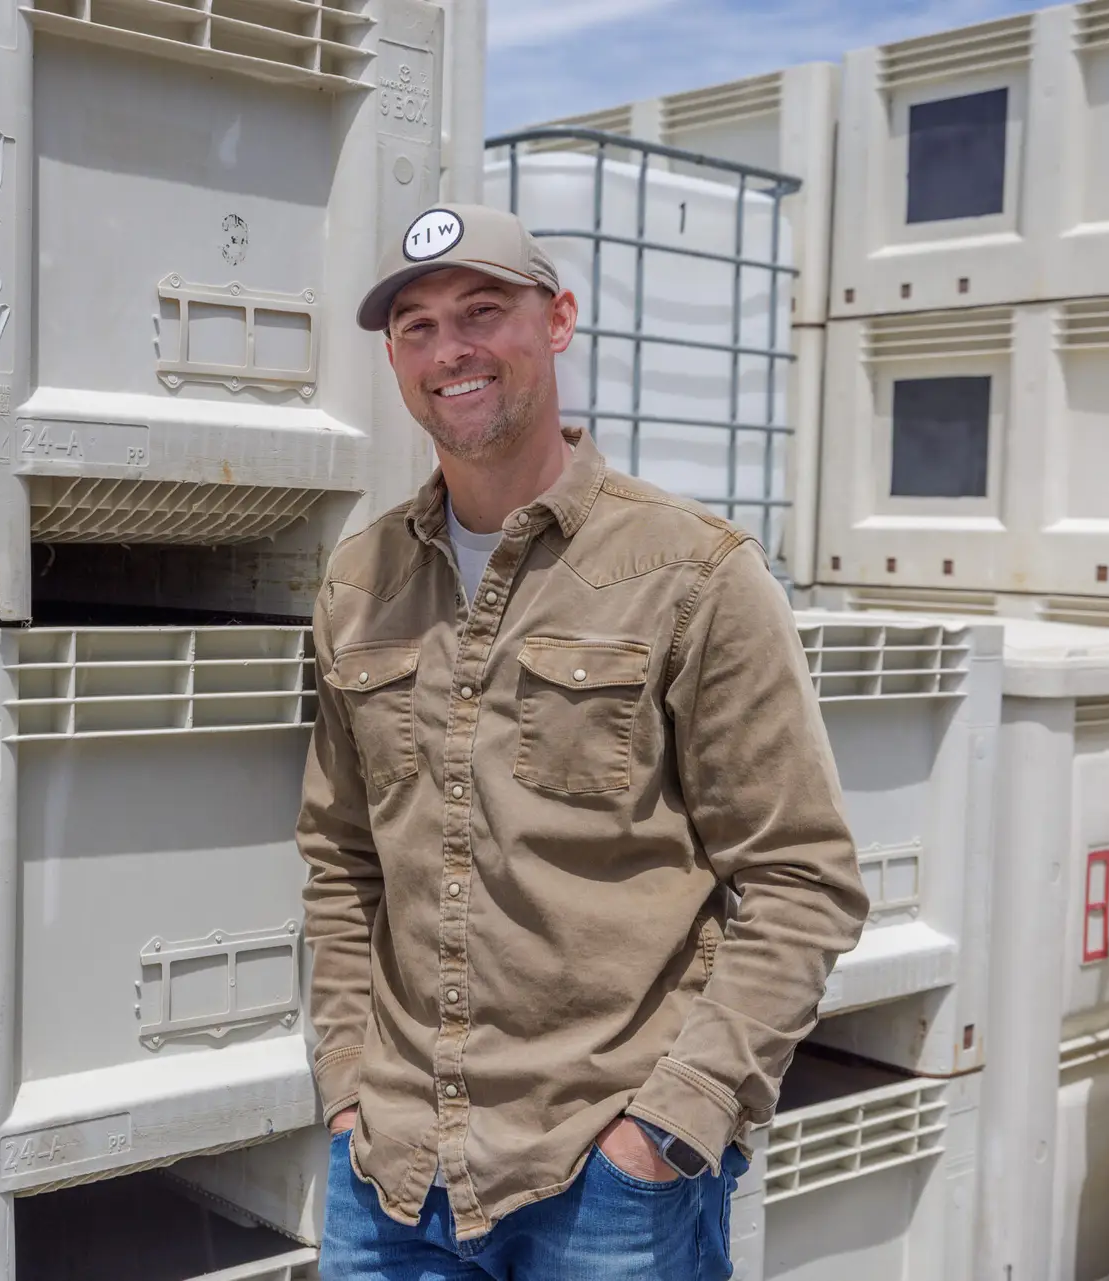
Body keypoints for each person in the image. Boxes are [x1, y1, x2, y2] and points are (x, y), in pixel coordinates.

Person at [296, 203, 870, 1280]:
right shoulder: (359, 581)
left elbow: (803, 880)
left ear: (557, 322)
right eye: (415, 327)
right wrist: (344, 1086)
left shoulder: (693, 571)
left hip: (604, 1187)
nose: (450, 349)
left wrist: (666, 1130)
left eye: (482, 312)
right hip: (389, 1175)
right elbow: (340, 859)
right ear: (392, 358)